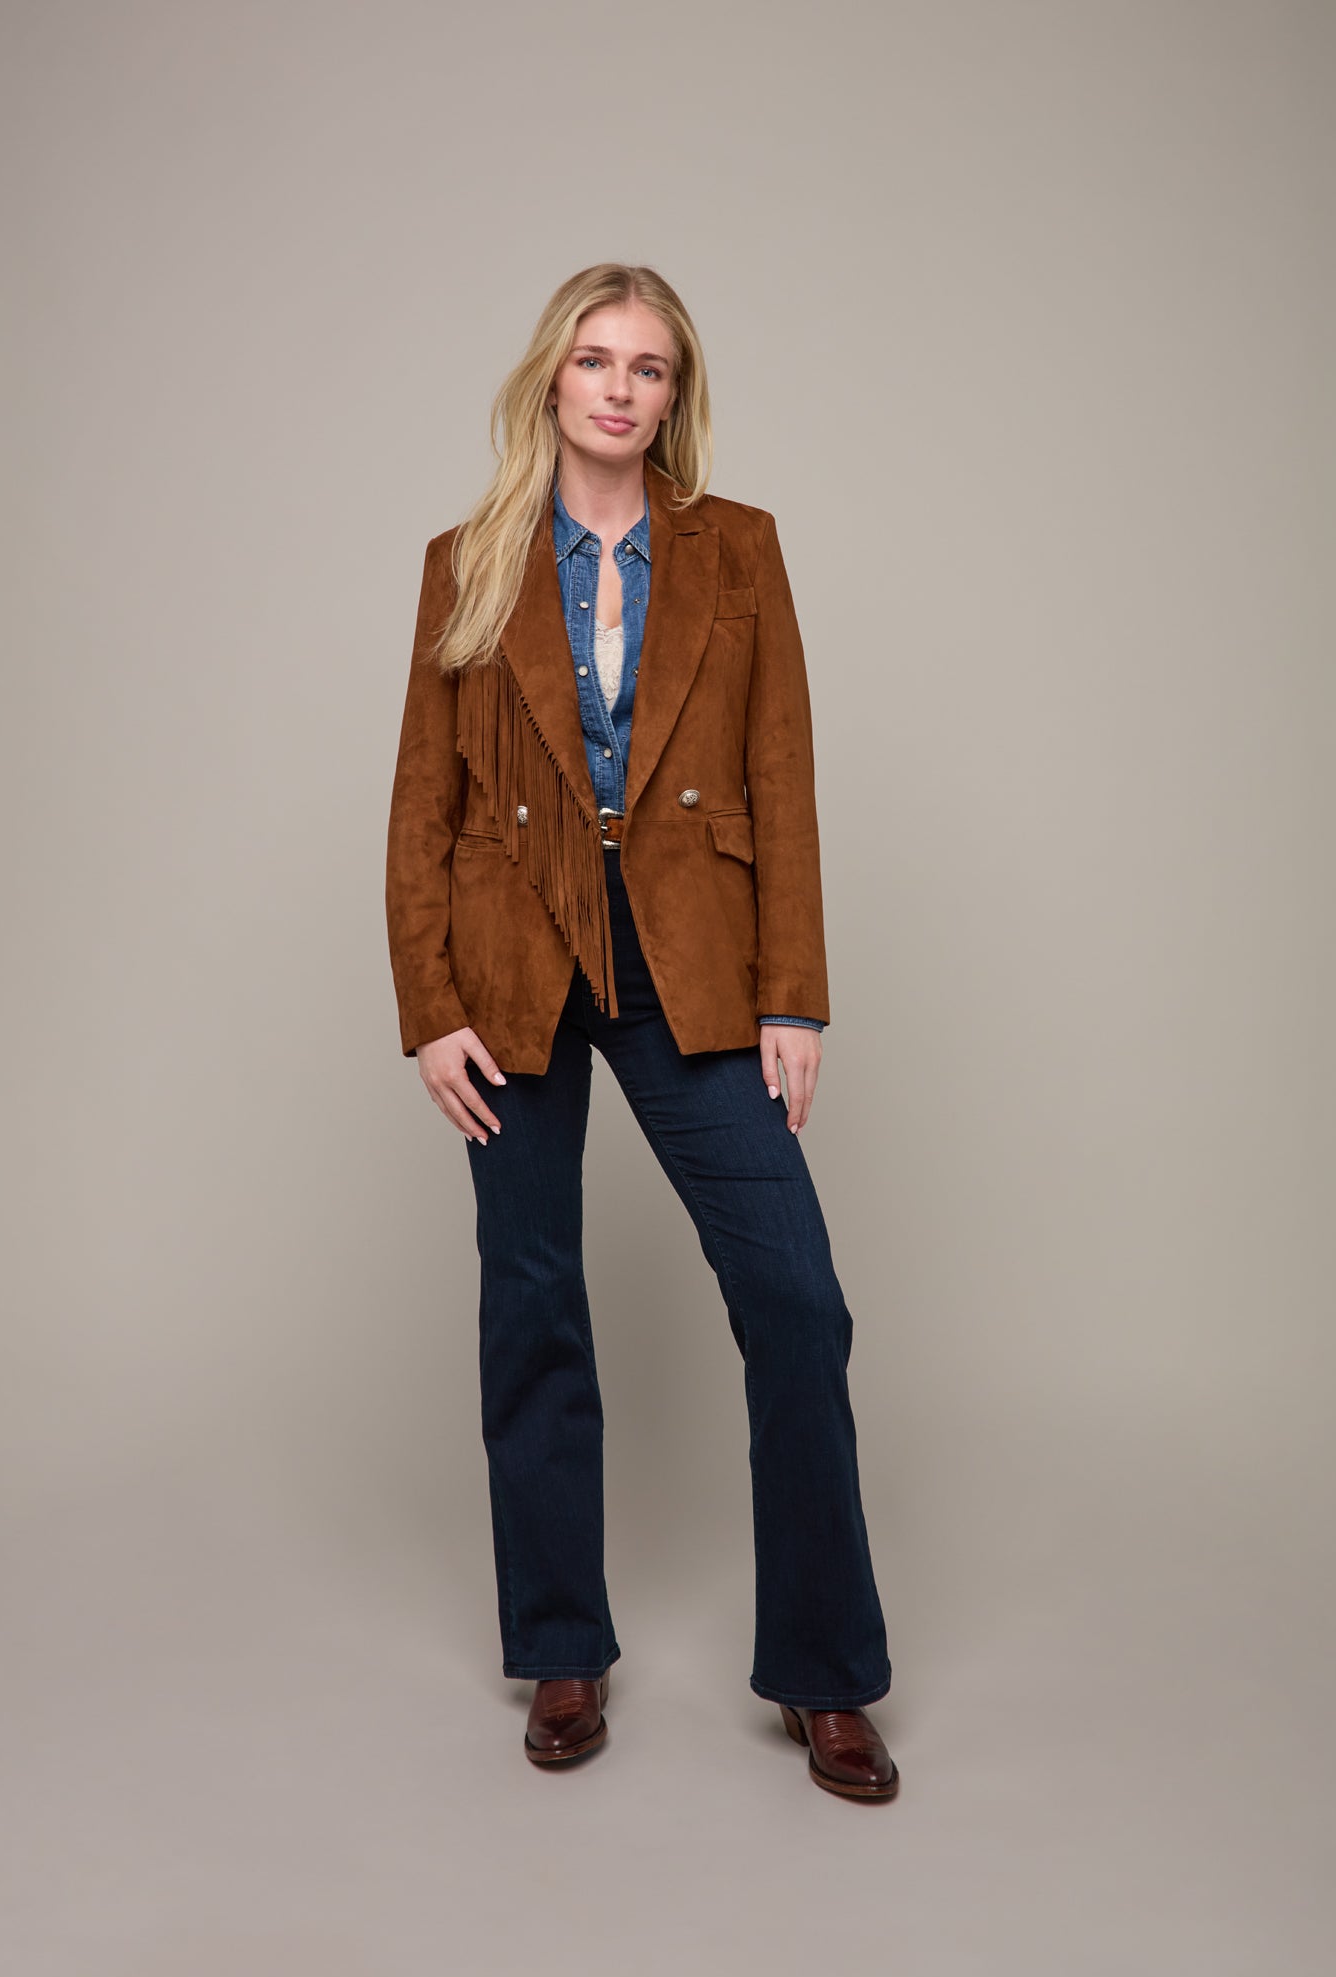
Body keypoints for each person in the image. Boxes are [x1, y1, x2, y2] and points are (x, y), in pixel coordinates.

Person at [384, 263, 898, 1802]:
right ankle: (561, 1645)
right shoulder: (467, 560)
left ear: (676, 396)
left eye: (649, 367)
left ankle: (825, 1673)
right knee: (532, 1302)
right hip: (514, 959)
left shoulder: (738, 549)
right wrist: (430, 1010)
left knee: (796, 1300)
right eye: (596, 360)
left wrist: (793, 992)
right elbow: (423, 804)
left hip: (692, 953)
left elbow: (782, 771)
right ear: (553, 378)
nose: (620, 388)